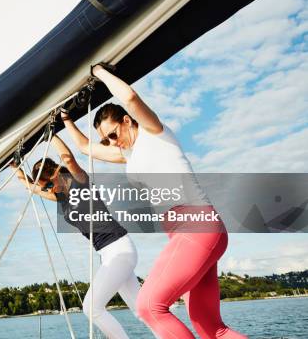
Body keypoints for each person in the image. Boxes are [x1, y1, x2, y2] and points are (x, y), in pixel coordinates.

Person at [61, 63, 245, 338]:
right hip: (193, 233)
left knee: (149, 306)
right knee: (209, 326)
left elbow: (131, 99)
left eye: (113, 134)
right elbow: (86, 147)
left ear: (127, 121)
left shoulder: (153, 131)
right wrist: (64, 119)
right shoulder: (128, 155)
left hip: (196, 227)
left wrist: (98, 72)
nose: (112, 142)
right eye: (107, 140)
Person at [12, 135, 141, 339]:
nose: (46, 189)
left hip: (119, 248)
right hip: (108, 254)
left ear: (55, 173)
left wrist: (52, 135)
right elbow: (31, 187)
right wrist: (14, 166)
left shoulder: (80, 182)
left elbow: (69, 159)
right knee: (142, 311)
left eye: (47, 185)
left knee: (91, 308)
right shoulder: (60, 197)